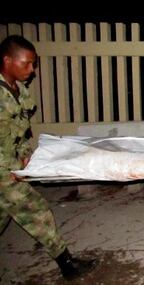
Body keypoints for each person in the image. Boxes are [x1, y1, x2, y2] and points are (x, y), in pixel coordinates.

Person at [0, 35, 97, 280]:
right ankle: (67, 264)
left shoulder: (16, 90)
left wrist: (23, 155)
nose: (32, 70)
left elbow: (18, 132)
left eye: (33, 64)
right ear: (7, 60)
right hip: (3, 171)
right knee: (37, 212)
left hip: (9, 165)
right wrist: (12, 168)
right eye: (26, 64)